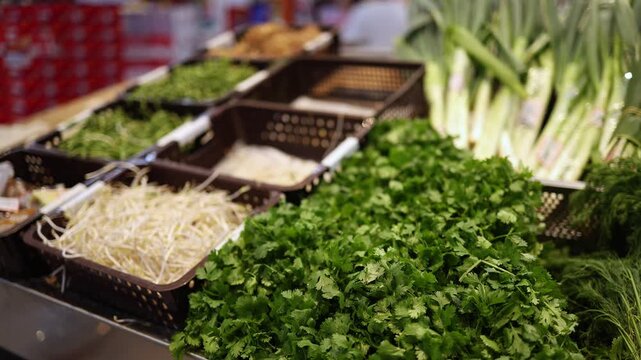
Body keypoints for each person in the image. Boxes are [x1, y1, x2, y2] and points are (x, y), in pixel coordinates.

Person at [340, 0, 408, 55]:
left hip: (365, 66)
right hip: (399, 66)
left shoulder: (362, 10)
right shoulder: (404, 10)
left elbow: (347, 43)